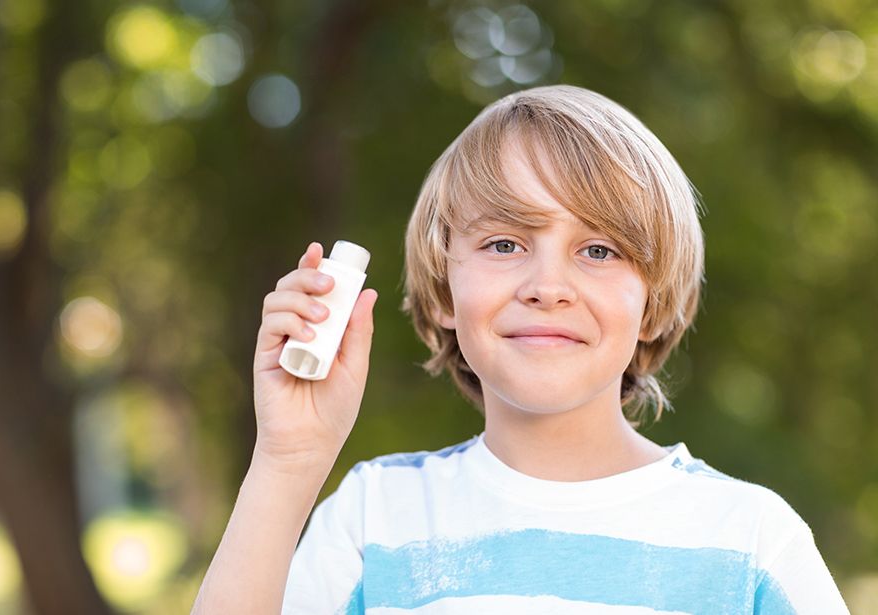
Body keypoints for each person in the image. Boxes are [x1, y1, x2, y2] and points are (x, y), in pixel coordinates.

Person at [190, 85, 851, 614]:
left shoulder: (751, 541)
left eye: (598, 249)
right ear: (445, 290)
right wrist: (288, 460)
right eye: (505, 244)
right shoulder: (375, 520)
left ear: (650, 304)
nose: (547, 286)